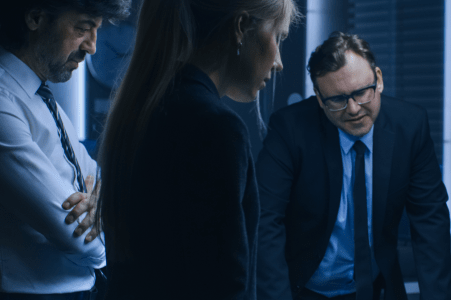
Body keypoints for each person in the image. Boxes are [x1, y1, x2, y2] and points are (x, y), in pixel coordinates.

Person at [93, 0, 300, 299]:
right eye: (278, 37)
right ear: (241, 27)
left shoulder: (144, 111)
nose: (279, 61)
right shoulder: (216, 129)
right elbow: (222, 285)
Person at [0, 0, 129, 299]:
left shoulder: (34, 95)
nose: (92, 48)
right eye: (83, 28)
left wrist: (103, 203)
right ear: (35, 17)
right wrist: (115, 242)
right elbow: (73, 233)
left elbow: (99, 182)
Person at [257, 32, 451, 300]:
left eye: (362, 92)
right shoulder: (289, 129)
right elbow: (265, 221)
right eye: (337, 100)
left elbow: (431, 222)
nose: (353, 109)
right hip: (304, 290)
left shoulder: (410, 126)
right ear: (318, 96)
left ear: (379, 80)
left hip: (377, 289)